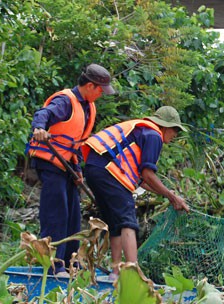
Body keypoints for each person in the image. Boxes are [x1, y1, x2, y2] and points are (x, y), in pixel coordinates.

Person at [82, 106, 190, 280]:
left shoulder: (141, 131)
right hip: (109, 171)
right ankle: (134, 274)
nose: (175, 135)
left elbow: (142, 179)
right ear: (165, 126)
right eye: (174, 130)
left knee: (116, 222)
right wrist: (172, 197)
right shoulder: (154, 135)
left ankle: (115, 273)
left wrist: (167, 194)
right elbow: (148, 174)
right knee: (128, 220)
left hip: (95, 168)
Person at [27, 64, 115, 276]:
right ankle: (54, 265)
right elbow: (43, 114)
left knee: (74, 216)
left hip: (67, 166)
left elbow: (76, 143)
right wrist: (39, 128)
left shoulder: (88, 106)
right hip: (50, 163)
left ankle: (70, 263)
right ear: (90, 86)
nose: (102, 94)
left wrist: (77, 171)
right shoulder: (66, 101)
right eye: (100, 90)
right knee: (57, 213)